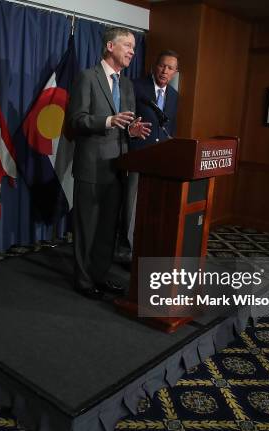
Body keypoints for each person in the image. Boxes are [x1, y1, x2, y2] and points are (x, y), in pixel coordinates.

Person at [66, 27, 151, 299]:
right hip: (91, 167)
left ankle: (99, 276)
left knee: (106, 230)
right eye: (127, 45)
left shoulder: (126, 84)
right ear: (110, 46)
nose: (132, 51)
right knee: (87, 228)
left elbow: (125, 122)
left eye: (134, 47)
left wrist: (132, 130)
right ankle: (83, 281)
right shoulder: (87, 77)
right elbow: (76, 121)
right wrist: (107, 121)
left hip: (117, 167)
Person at [116, 50, 179, 262]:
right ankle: (126, 253)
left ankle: (145, 249)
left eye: (170, 68)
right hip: (138, 156)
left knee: (153, 209)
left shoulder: (174, 95)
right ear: (155, 66)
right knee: (131, 208)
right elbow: (124, 118)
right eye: (162, 65)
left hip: (160, 162)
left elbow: (171, 128)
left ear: (175, 72)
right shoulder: (136, 86)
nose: (165, 71)